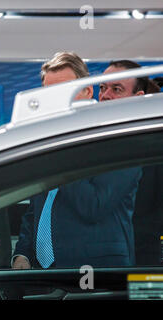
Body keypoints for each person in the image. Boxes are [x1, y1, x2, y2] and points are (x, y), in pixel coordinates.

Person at [13, 52, 142, 269]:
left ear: (87, 91)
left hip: (94, 276)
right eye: (48, 93)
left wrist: (59, 152)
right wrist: (22, 254)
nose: (53, 101)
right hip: (41, 275)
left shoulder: (119, 142)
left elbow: (94, 206)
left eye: (63, 91)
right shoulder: (46, 140)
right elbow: (37, 208)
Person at [100, 60, 163, 265]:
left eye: (116, 89)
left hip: (143, 271)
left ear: (138, 99)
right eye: (103, 88)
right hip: (95, 271)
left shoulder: (154, 149)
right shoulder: (89, 146)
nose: (105, 95)